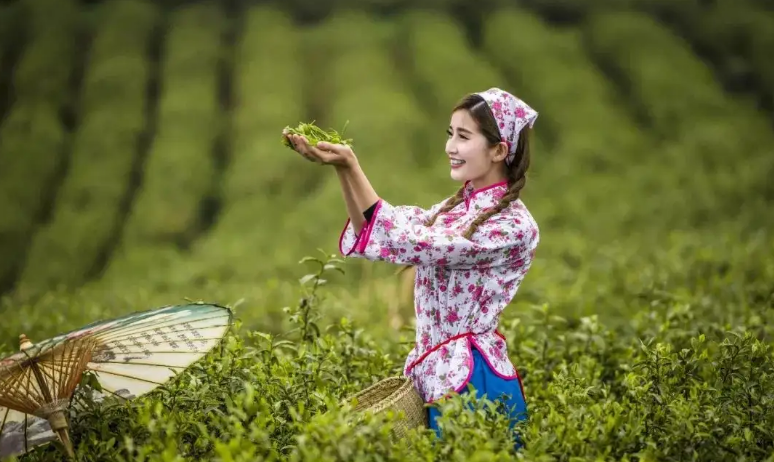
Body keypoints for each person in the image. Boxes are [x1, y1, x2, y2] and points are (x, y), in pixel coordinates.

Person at [283, 87, 539, 446]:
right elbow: (378, 231)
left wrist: (353, 165)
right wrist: (343, 168)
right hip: (434, 374)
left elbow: (408, 241)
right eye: (450, 134)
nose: (451, 147)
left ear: (499, 150)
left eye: (463, 137)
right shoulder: (453, 210)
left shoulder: (511, 226)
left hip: (473, 380)